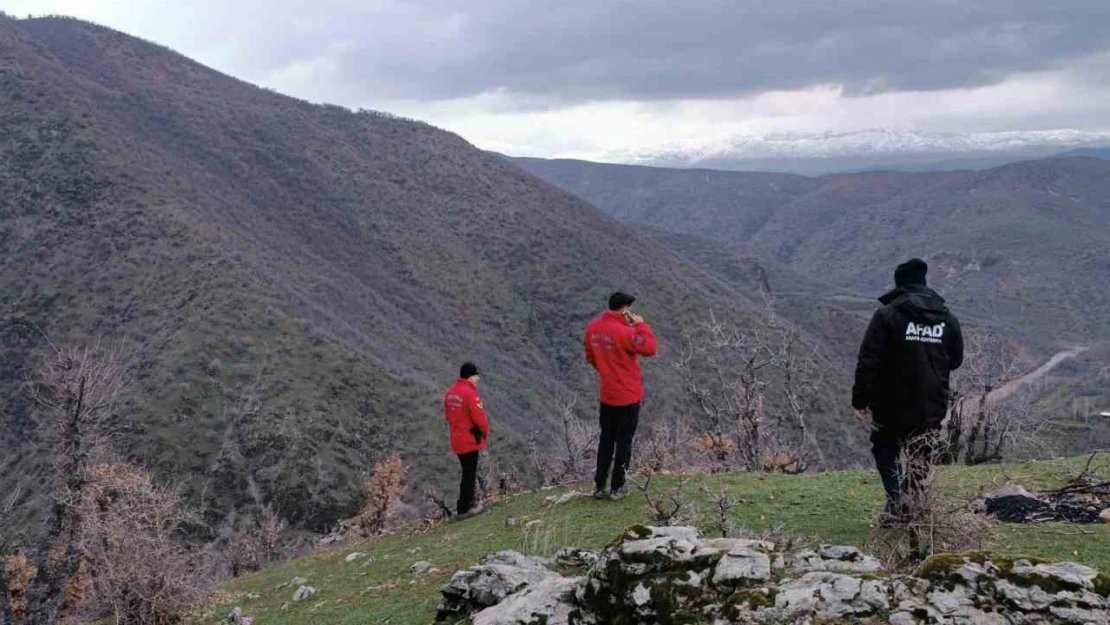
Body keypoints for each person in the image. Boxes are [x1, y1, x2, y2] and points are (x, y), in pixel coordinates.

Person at [852, 258, 963, 524]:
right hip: (932, 401)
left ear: (899, 283)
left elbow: (868, 360)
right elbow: (956, 359)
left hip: (890, 401)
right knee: (920, 452)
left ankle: (897, 501)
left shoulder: (887, 315)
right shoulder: (947, 318)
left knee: (885, 449)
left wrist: (860, 400)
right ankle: (914, 505)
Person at [584, 292, 658, 500]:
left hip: (607, 395)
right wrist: (641, 325)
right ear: (625, 310)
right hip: (628, 396)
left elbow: (590, 355)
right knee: (624, 441)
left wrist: (606, 371)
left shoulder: (593, 328)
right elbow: (650, 348)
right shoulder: (626, 332)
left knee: (606, 439)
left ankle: (599, 486)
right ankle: (617, 487)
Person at [444, 362, 490, 519]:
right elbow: (481, 421)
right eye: (476, 375)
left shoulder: (450, 392)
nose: (478, 378)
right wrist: (483, 434)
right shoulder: (470, 394)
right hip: (469, 440)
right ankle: (464, 508)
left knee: (467, 472)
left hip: (456, 438)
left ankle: (465, 505)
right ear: (470, 376)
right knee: (469, 474)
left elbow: (449, 417)